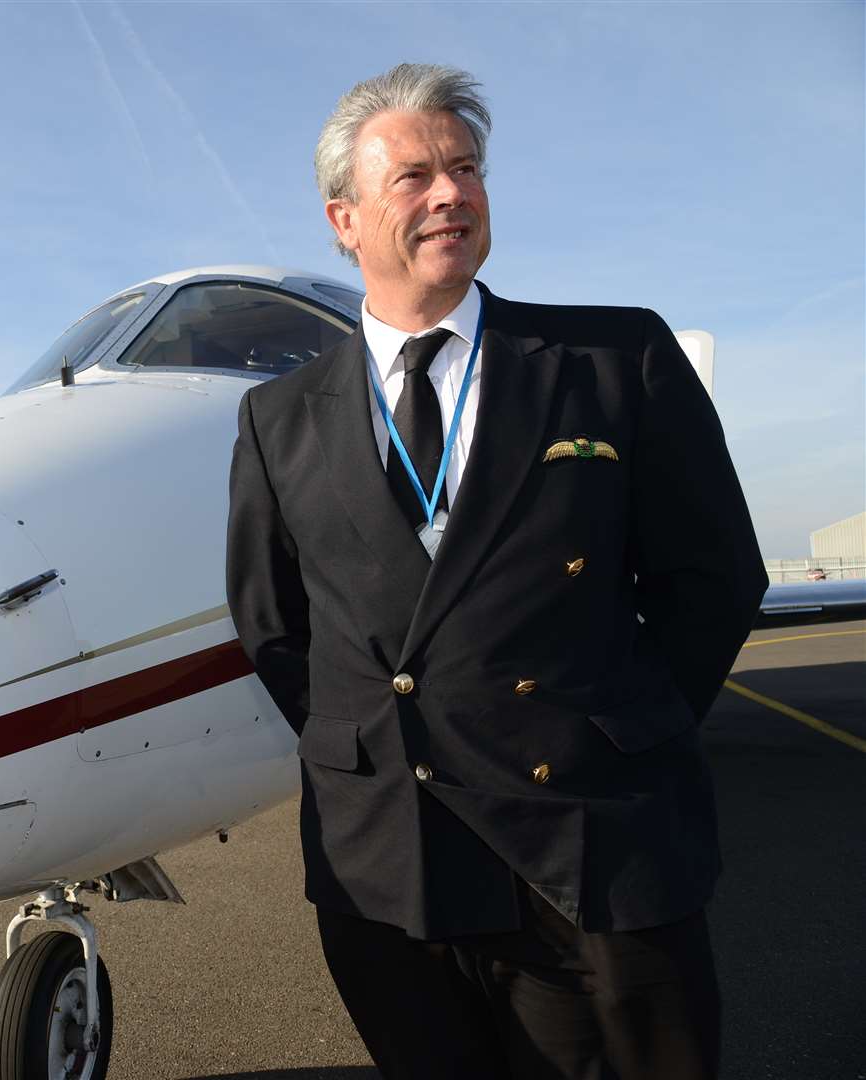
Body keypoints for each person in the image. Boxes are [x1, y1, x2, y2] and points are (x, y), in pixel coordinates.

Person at [225, 63, 767, 1079]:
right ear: (343, 219)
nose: (450, 194)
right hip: (393, 866)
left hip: (595, 846)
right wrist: (377, 753)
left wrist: (620, 733)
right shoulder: (279, 419)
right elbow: (275, 626)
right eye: (415, 177)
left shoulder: (614, 359)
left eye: (466, 168)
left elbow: (715, 580)